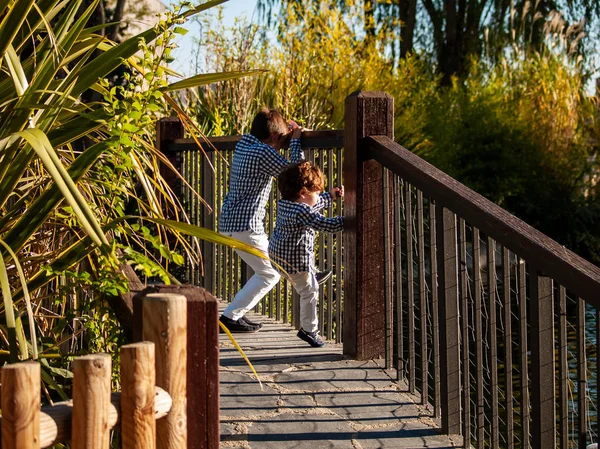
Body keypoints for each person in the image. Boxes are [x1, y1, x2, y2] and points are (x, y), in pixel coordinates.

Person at [218, 108, 304, 333]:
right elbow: (294, 175)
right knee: (269, 273)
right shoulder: (262, 152)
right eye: (280, 140)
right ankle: (229, 317)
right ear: (274, 137)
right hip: (246, 225)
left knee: (273, 263)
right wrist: (295, 141)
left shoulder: (244, 146)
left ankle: (305, 273)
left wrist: (287, 134)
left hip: (233, 222)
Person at [268, 161, 344, 347]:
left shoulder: (287, 203)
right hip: (295, 263)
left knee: (306, 279)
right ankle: (309, 330)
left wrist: (330, 196)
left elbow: (312, 205)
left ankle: (313, 274)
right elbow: (325, 224)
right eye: (317, 192)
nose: (319, 196)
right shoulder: (302, 210)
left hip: (278, 258)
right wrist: (350, 219)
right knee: (309, 292)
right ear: (303, 193)